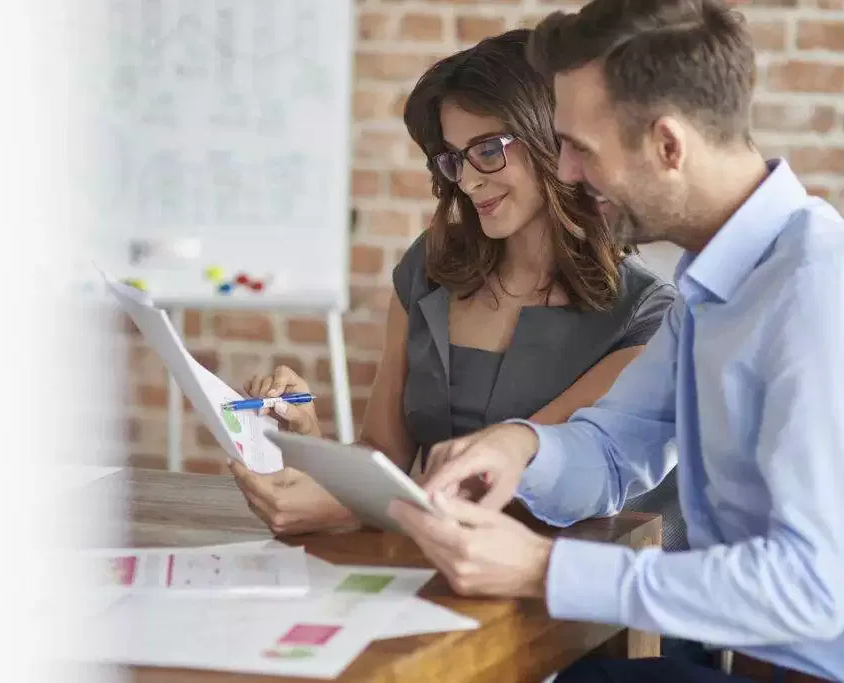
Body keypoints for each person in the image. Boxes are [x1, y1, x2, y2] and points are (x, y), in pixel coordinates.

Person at [388, 3, 844, 683]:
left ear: (668, 147)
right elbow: (614, 445)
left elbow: (809, 590)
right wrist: (519, 446)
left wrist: (545, 568)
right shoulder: (713, 288)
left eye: (581, 148)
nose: (564, 172)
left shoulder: (821, 290)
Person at [227, 29, 677, 540]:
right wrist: (308, 446)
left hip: (557, 583)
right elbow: (384, 454)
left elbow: (510, 478)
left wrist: (349, 508)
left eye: (487, 150)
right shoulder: (431, 264)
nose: (467, 179)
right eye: (454, 157)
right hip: (429, 562)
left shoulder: (644, 317)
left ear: (553, 139)